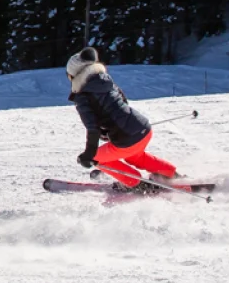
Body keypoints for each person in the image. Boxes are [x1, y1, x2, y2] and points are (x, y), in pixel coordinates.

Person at [66, 47, 180, 193]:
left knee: (97, 158)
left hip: (127, 138)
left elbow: (92, 128)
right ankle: (172, 174)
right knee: (135, 157)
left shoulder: (82, 95)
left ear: (74, 75)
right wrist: (110, 130)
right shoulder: (105, 80)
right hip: (143, 128)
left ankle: (135, 183)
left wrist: (88, 155)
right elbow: (122, 103)